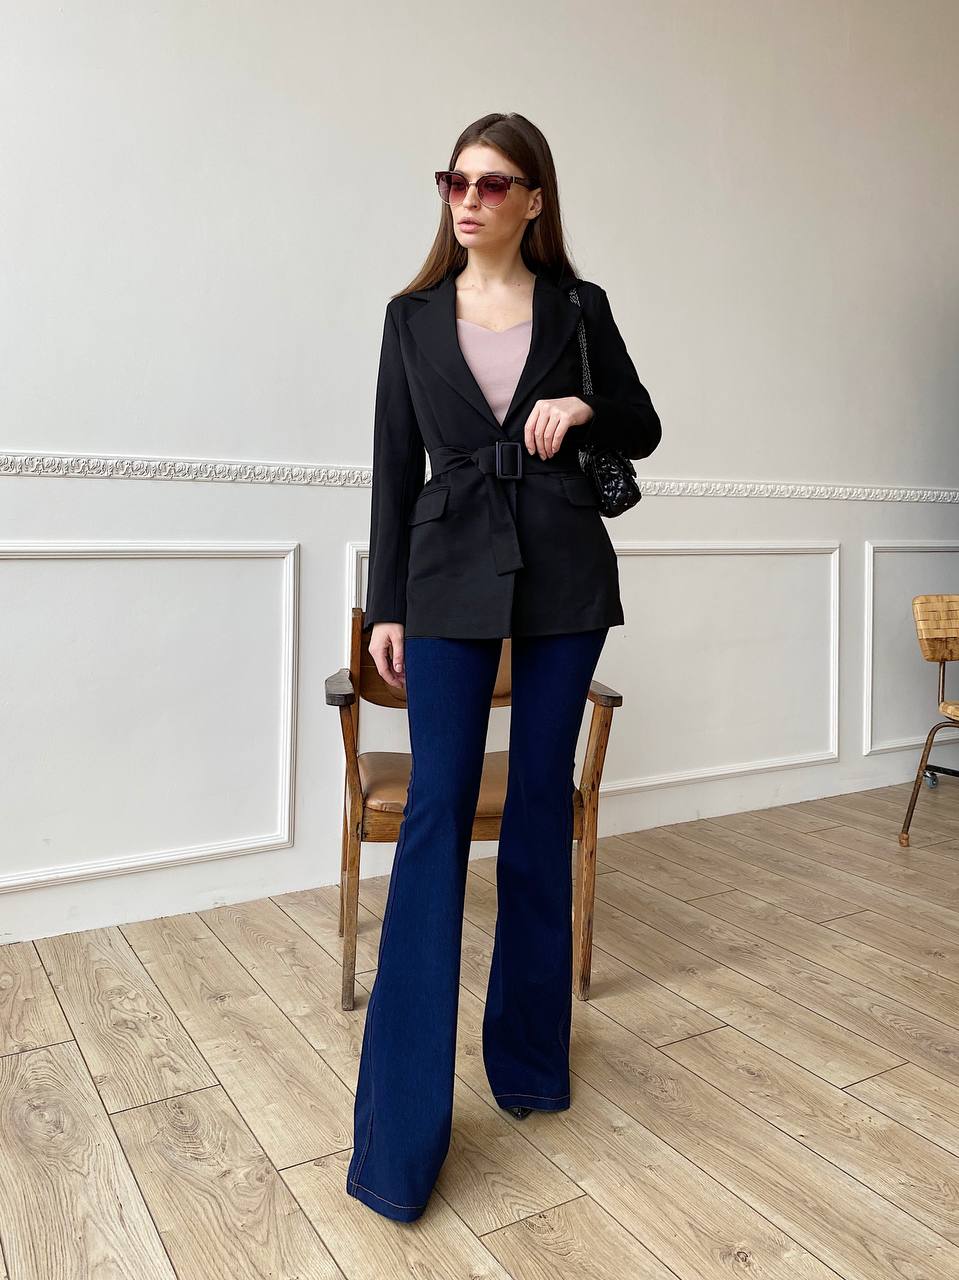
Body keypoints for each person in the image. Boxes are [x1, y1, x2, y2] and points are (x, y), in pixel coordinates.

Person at [346, 111, 662, 1223]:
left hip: (564, 563)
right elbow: (392, 463)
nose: (470, 199)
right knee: (437, 812)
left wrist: (582, 405)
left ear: (533, 198)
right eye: (456, 180)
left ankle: (529, 1061)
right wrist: (388, 602)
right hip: (443, 569)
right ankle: (398, 1133)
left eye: (493, 183)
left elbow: (642, 423)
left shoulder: (580, 306)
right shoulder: (409, 316)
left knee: (535, 803)